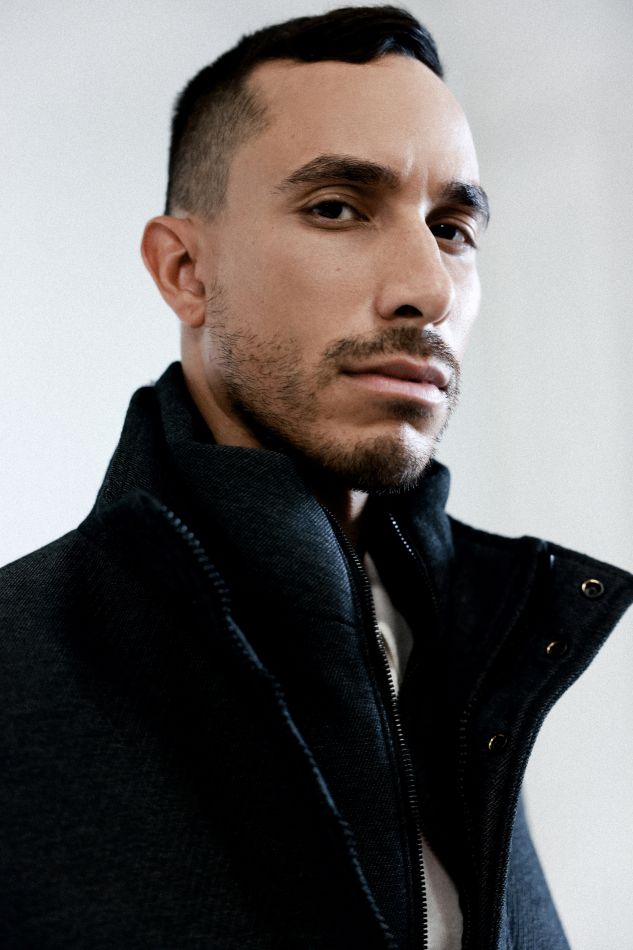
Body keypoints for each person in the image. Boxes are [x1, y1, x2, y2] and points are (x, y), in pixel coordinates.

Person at [1, 6, 631, 949]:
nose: (426, 289)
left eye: (452, 227)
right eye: (337, 208)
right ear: (185, 270)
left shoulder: (470, 646)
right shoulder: (22, 676)